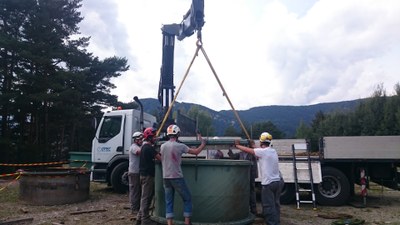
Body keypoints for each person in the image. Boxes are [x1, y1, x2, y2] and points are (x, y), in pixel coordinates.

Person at [160, 124, 207, 225]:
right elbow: (196, 152)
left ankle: (169, 223)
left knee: (169, 201)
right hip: (176, 177)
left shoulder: (162, 146)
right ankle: (187, 223)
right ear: (178, 134)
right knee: (187, 198)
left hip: (165, 177)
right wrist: (203, 144)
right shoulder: (180, 146)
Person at [234, 132, 284, 225]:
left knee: (268, 206)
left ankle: (271, 223)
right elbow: (257, 151)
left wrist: (237, 145)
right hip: (278, 182)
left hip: (268, 184)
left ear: (261, 142)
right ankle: (276, 222)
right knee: (275, 204)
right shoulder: (272, 151)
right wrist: (253, 146)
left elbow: (250, 151)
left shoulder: (263, 152)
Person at [137, 127, 161, 225]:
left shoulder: (143, 147)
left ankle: (139, 217)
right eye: (154, 136)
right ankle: (145, 219)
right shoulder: (148, 148)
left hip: (143, 175)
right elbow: (160, 158)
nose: (155, 138)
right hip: (148, 176)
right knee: (146, 198)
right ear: (149, 137)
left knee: (144, 197)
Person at [228, 147, 259, 216]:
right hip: (243, 176)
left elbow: (257, 154)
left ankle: (253, 210)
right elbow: (232, 156)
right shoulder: (240, 154)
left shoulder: (252, 154)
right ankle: (244, 209)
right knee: (243, 191)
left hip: (250, 176)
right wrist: (229, 149)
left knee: (251, 192)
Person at [129, 131, 144, 215]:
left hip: (138, 171)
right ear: (136, 140)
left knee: (139, 191)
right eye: (140, 139)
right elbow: (140, 152)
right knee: (135, 191)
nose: (141, 141)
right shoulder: (134, 147)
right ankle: (134, 208)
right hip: (134, 172)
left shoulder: (140, 146)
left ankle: (137, 207)